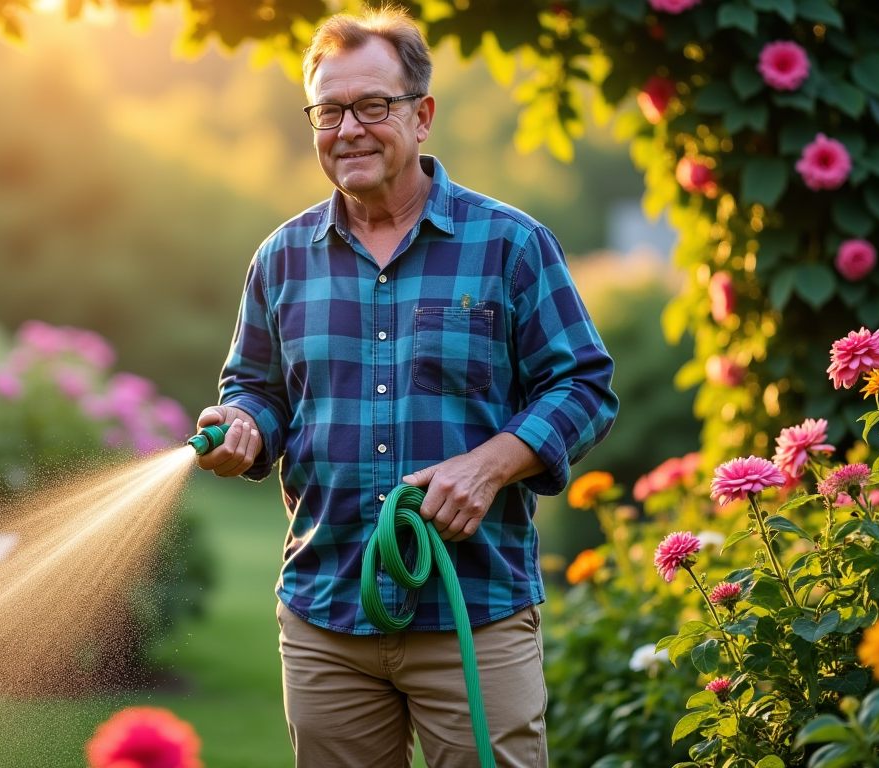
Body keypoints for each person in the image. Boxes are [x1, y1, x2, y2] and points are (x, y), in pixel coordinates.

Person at [194, 7, 618, 767]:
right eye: (328, 110)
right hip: (327, 617)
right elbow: (256, 388)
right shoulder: (281, 258)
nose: (348, 128)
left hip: (474, 611)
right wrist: (244, 425)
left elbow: (584, 384)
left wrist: (490, 465)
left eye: (372, 106)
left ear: (421, 116)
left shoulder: (510, 245)